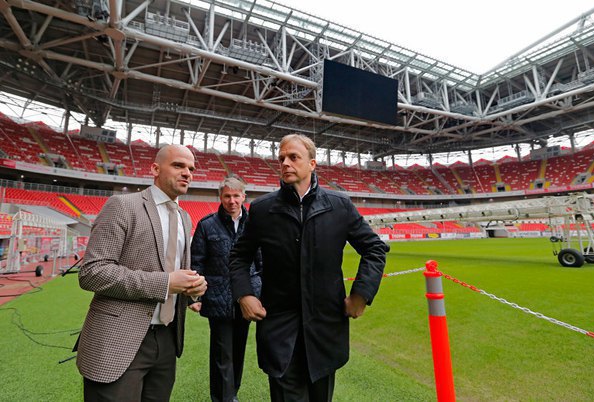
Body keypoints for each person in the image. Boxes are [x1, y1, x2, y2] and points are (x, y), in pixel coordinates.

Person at [229, 133, 390, 401]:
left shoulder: (340, 206)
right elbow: (239, 255)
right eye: (281, 158)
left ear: (312, 164)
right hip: (280, 332)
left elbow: (374, 248)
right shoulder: (262, 209)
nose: (285, 163)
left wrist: (361, 294)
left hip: (326, 332)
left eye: (293, 157)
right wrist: (244, 294)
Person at [76, 144, 207, 402]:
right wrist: (167, 282)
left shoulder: (184, 217)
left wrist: (192, 289)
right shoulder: (123, 205)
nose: (187, 173)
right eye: (179, 165)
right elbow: (93, 271)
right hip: (118, 339)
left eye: (191, 168)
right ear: (155, 169)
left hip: (167, 339)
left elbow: (175, 274)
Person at [189, 177, 262, 402]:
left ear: (243, 197)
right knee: (222, 352)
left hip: (246, 297)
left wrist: (260, 292)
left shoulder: (255, 225)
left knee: (238, 350)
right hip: (217, 297)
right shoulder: (206, 224)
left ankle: (232, 394)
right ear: (220, 198)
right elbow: (197, 262)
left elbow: (261, 263)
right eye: (227, 196)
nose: (232, 201)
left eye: (236, 196)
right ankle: (223, 398)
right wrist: (195, 296)